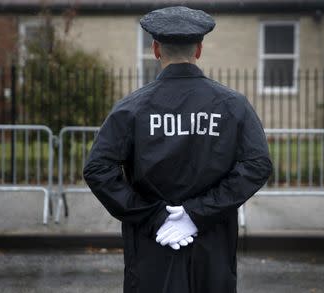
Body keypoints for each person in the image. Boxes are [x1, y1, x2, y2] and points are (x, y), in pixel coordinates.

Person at [83, 6, 272, 293]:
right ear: (199, 49)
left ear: (156, 49)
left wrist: (154, 217)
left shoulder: (132, 108)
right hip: (212, 247)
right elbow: (257, 165)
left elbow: (98, 169)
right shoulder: (233, 105)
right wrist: (196, 215)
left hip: (152, 248)